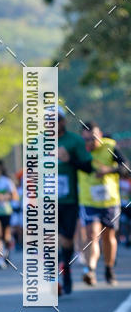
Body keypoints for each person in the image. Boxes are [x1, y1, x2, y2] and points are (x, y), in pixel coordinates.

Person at [78, 122, 127, 286]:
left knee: (109, 237)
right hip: (89, 200)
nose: (90, 143)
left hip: (110, 201)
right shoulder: (80, 151)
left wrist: (109, 170)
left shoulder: (110, 147)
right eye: (86, 140)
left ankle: (108, 268)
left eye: (93, 138)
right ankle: (90, 269)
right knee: (92, 235)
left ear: (100, 135)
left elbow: (126, 167)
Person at [57, 107, 94, 295]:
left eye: (57, 119)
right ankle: (54, 278)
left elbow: (88, 168)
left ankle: (66, 271)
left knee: (66, 240)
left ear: (63, 121)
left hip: (69, 200)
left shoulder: (75, 141)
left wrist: (69, 160)